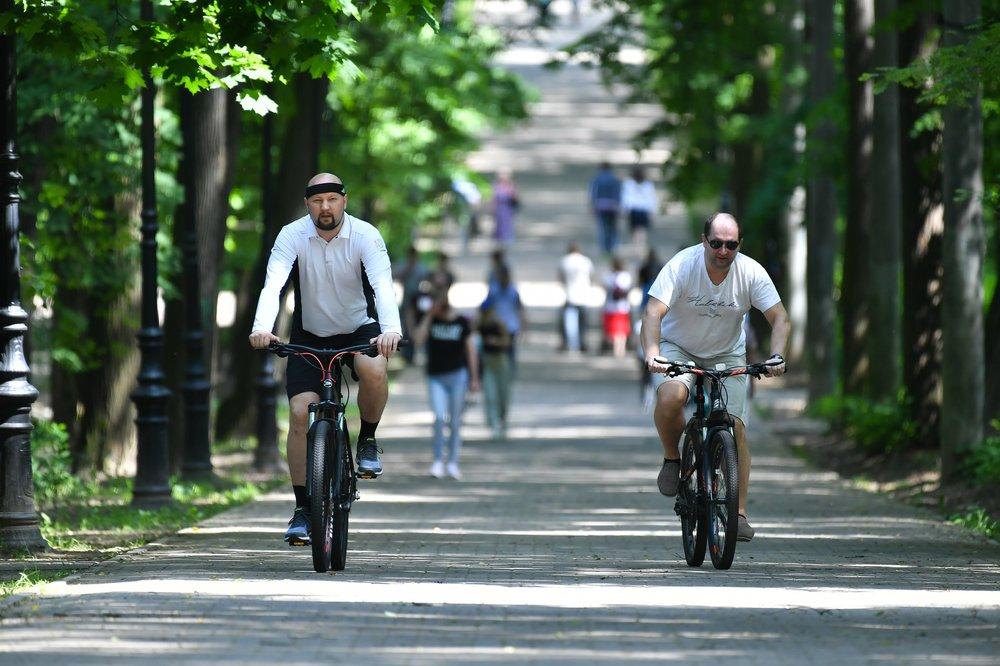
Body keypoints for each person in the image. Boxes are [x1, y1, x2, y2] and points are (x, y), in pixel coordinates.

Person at [249, 173, 402, 546]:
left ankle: (367, 439)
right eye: (318, 201)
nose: (326, 207)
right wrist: (261, 327)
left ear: (344, 201)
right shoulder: (292, 235)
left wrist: (391, 330)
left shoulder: (365, 235)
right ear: (308, 205)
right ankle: (303, 509)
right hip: (309, 334)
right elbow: (273, 284)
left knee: (373, 367)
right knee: (301, 413)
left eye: (332, 199)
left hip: (359, 329)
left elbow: (382, 285)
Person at [641, 213, 788, 542]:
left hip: (727, 353)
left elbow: (779, 317)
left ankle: (738, 513)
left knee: (735, 429)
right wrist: (652, 353)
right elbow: (652, 312)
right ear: (703, 240)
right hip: (678, 347)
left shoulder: (750, 272)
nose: (724, 250)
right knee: (672, 397)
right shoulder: (682, 265)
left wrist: (777, 355)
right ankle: (672, 457)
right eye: (717, 243)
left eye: (731, 244)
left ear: (739, 244)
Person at [413, 289, 480, 480]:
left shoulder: (461, 323)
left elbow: (471, 351)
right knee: (440, 418)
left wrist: (474, 378)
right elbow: (418, 340)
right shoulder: (432, 320)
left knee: (456, 421)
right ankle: (437, 461)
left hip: (458, 376)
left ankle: (452, 462)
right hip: (436, 377)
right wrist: (428, 316)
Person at [480, 264, 525, 371]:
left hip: (511, 325)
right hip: (497, 324)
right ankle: (500, 370)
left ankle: (510, 370)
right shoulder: (494, 290)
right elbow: (486, 306)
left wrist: (523, 326)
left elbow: (520, 308)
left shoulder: (513, 291)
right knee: (498, 349)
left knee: (510, 349)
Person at [478, 304, 513, 439]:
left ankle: (502, 420)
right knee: (490, 395)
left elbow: (507, 342)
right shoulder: (481, 326)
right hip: (487, 362)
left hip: (501, 361)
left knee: (503, 395)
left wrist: (496, 342)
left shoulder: (499, 325)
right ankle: (493, 424)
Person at [394, 245, 429, 365]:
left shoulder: (421, 267)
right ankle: (407, 356)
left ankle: (416, 353)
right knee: (406, 329)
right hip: (407, 302)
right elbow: (395, 275)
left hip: (418, 302)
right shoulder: (403, 265)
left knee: (416, 327)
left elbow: (427, 280)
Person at [558, 243, 594, 353]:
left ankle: (565, 342)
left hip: (570, 294)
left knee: (563, 320)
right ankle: (583, 342)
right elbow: (591, 276)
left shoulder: (564, 261)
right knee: (583, 322)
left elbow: (561, 277)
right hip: (583, 295)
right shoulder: (586, 261)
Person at [588, 162, 621, 255]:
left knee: (602, 228)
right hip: (612, 206)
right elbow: (618, 193)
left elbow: (592, 193)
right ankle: (613, 247)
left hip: (600, 206)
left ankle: (604, 249)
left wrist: (592, 206)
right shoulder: (615, 179)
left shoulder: (596, 179)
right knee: (613, 229)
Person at [602, 256, 633, 357]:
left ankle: (616, 350)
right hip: (624, 307)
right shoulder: (626, 277)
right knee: (622, 331)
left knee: (614, 330)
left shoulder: (608, 277)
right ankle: (621, 350)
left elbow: (605, 288)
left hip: (610, 307)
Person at [621, 167, 658, 250]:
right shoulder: (648, 185)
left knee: (634, 230)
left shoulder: (629, 184)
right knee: (642, 230)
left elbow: (626, 198)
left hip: (633, 210)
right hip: (643, 210)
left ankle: (637, 245)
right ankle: (641, 245)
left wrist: (624, 210)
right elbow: (652, 199)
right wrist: (653, 211)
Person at [491, 170, 519, 247]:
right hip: (499, 207)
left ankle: (507, 238)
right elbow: (493, 198)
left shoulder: (510, 186)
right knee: (498, 223)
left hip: (507, 207)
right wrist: (493, 207)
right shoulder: (496, 186)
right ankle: (498, 238)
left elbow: (515, 197)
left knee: (507, 223)